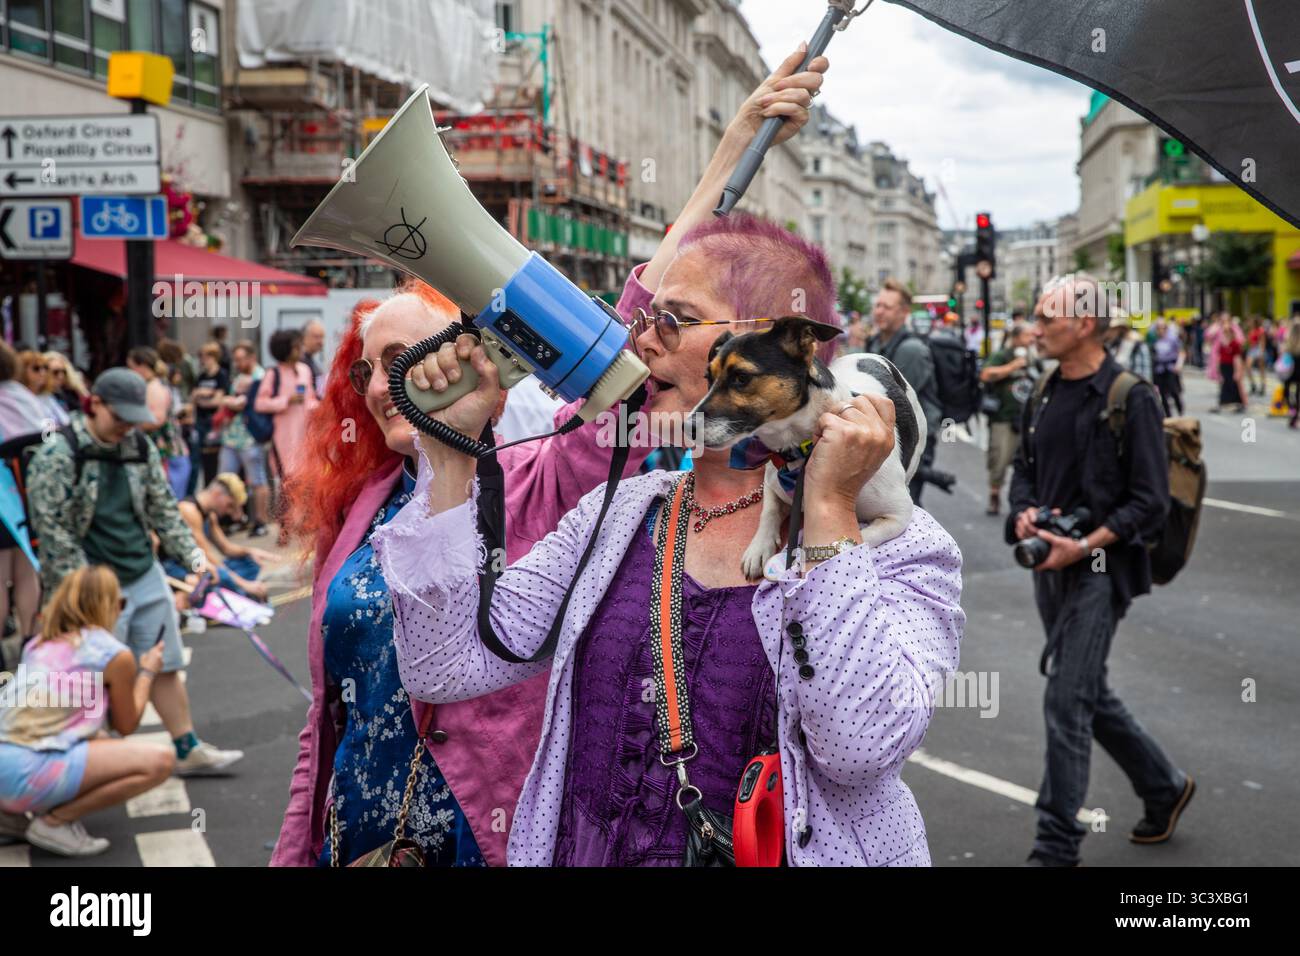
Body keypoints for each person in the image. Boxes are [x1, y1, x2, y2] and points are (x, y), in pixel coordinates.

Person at [374, 47, 966, 868]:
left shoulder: (906, 550)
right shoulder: (619, 515)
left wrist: (826, 513)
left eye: (671, 320)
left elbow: (859, 747)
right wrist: (448, 459)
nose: (637, 340)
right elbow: (444, 668)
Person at [270, 284, 652, 867]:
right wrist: (295, 850)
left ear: (467, 357)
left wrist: (705, 201)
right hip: (359, 836)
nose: (378, 387)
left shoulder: (537, 480)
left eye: (399, 361)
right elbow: (324, 715)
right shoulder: (356, 509)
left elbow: (622, 378)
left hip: (483, 834)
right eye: (363, 371)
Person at [1008, 273, 1191, 867]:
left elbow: (1150, 501)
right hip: (1051, 564)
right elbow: (1023, 473)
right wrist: (1025, 515)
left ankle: (1054, 847)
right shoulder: (1043, 390)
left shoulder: (1130, 395)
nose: (1033, 327)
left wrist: (1085, 543)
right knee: (1086, 692)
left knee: (1067, 702)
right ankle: (1163, 786)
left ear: (1083, 323)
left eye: (1045, 316)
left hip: (1101, 569)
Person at [24, 368, 244, 776]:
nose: (126, 425)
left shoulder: (138, 445)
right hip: (90, 587)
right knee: (91, 680)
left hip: (144, 572)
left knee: (165, 662)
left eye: (132, 416)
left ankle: (187, 746)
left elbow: (165, 512)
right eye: (119, 416)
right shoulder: (57, 454)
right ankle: (80, 767)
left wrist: (197, 560)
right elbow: (53, 536)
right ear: (95, 404)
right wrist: (87, 595)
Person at [0, 566, 174, 855]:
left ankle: (9, 817)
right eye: (120, 603)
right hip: (27, 772)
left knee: (101, 739)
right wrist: (147, 672)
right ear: (107, 605)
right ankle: (55, 822)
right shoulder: (112, 653)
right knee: (160, 762)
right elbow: (127, 724)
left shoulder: (39, 643)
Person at [866, 278, 942, 505]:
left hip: (910, 440)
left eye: (887, 307)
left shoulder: (912, 350)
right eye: (878, 305)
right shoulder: (875, 343)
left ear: (904, 312)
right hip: (887, 437)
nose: (879, 311)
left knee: (903, 506)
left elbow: (896, 404)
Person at [163, 474, 275, 602]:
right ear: (217, 494)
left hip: (198, 565)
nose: (229, 512)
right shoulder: (189, 510)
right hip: (176, 568)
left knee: (249, 561)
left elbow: (226, 548)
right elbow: (207, 558)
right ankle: (236, 593)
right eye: (229, 505)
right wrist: (245, 584)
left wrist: (249, 551)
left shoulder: (210, 515)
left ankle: (232, 592)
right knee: (218, 574)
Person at [979, 322, 1039, 515]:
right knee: (1000, 459)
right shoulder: (1002, 355)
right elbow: (986, 374)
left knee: (1028, 461)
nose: (1032, 339)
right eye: (1028, 335)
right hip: (1003, 417)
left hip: (1026, 417)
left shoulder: (1033, 356)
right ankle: (994, 496)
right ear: (1017, 337)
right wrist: (1012, 366)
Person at [219, 340, 271, 536]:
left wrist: (226, 400)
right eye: (236, 360)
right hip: (231, 436)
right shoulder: (240, 376)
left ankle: (261, 521)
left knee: (257, 480)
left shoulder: (259, 376)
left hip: (249, 437)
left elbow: (238, 404)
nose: (238, 363)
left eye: (242, 359)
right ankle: (235, 518)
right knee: (225, 479)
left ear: (252, 357)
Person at [255, 329, 318, 489]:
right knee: (287, 484)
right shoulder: (273, 373)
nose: (300, 350)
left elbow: (311, 398)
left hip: (305, 435)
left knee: (305, 484)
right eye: (296, 347)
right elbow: (260, 403)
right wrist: (286, 401)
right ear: (285, 350)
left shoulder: (305, 369)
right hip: (282, 437)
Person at [126, 346, 191, 500]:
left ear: (142, 366)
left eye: (132, 367)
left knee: (170, 502)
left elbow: (157, 420)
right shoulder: (152, 385)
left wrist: (128, 426)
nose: (130, 373)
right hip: (167, 456)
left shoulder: (154, 388)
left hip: (169, 456)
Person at [189, 343, 230, 490]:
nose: (203, 360)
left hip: (214, 422)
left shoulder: (221, 375)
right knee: (197, 458)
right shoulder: (201, 376)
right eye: (202, 357)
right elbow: (193, 397)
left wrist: (202, 395)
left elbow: (218, 401)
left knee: (213, 459)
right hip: (200, 420)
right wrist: (204, 394)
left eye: (206, 357)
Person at [1207, 313, 1246, 413]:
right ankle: (1225, 401)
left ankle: (1238, 402)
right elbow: (1208, 335)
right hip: (1221, 360)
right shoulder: (1218, 329)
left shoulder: (1234, 334)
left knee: (1234, 382)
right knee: (1223, 381)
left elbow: (1240, 343)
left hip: (1232, 362)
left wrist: (1238, 369)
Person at [1150, 316, 1186, 417]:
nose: (1161, 330)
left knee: (1174, 391)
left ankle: (1180, 411)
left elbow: (1181, 352)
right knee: (1162, 393)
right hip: (1159, 369)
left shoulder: (1172, 339)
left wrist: (1179, 365)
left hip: (1171, 367)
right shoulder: (1155, 340)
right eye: (1158, 328)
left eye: (1163, 328)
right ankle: (1168, 415)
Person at [301, 319, 326, 397]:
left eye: (322, 337)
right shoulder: (299, 362)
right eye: (316, 337)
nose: (321, 342)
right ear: (304, 337)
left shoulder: (310, 360)